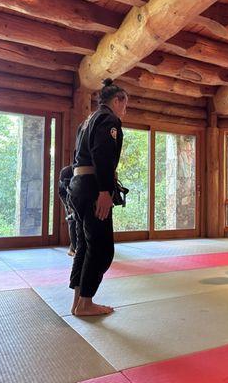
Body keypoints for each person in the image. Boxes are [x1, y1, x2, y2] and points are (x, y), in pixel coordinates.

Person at [67, 78, 126, 316]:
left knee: (85, 245)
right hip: (93, 186)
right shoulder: (108, 119)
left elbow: (78, 156)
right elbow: (102, 155)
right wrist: (104, 191)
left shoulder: (87, 120)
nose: (125, 110)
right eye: (125, 104)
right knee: (101, 248)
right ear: (118, 100)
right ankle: (86, 302)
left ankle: (78, 301)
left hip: (78, 184)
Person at [58, 165, 77, 257]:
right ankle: (74, 249)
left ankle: (76, 247)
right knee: (73, 223)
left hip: (82, 198)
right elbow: (61, 192)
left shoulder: (82, 176)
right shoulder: (65, 174)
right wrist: (68, 205)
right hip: (69, 201)